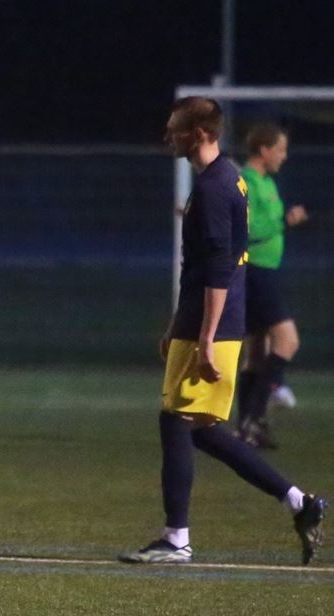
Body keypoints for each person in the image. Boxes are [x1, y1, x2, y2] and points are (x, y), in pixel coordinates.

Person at [119, 97, 324, 565]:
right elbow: (210, 266)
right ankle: (300, 502)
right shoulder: (226, 177)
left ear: (200, 133)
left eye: (175, 130)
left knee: (173, 420)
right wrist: (179, 324)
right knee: (205, 430)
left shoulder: (214, 189)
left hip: (210, 326)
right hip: (208, 322)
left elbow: (218, 270)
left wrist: (204, 337)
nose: (169, 137)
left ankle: (176, 540)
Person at [235, 123, 308, 448]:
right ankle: (259, 411)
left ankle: (247, 427)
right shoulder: (247, 182)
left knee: (256, 352)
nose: (284, 155)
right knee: (287, 341)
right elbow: (248, 229)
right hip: (255, 272)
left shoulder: (267, 182)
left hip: (266, 270)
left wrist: (284, 221)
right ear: (263, 151)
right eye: (279, 149)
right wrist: (283, 221)